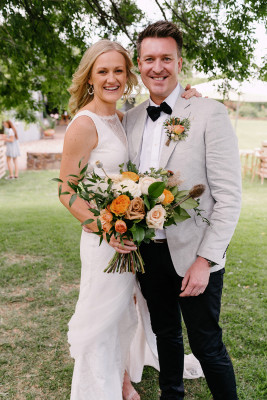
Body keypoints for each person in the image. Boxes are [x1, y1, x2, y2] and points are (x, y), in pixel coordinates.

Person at [59, 39, 201, 400]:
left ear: (129, 75)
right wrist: (106, 228)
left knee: (129, 309)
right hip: (104, 239)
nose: (111, 78)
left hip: (129, 235)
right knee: (104, 314)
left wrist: (188, 99)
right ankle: (100, 388)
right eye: (102, 71)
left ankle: (123, 379)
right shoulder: (84, 123)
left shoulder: (121, 118)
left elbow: (162, 123)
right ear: (90, 77)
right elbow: (66, 190)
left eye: (118, 70)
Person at [123, 21, 242, 400]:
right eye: (148, 59)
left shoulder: (209, 112)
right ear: (138, 64)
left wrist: (205, 260)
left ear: (179, 62)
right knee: (166, 335)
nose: (157, 67)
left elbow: (229, 197)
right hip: (149, 252)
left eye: (165, 58)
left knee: (207, 345)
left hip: (195, 255)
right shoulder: (132, 117)